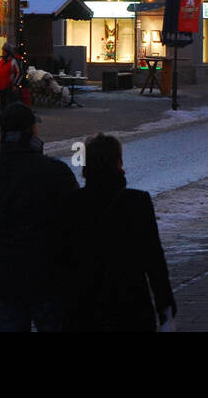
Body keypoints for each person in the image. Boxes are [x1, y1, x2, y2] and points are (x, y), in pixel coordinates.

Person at [0, 103, 78, 331]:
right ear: (32, 131)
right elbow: (74, 218)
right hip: (49, 278)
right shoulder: (56, 172)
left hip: (5, 279)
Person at [59, 133, 176, 331]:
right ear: (118, 163)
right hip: (130, 306)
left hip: (84, 308)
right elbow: (153, 257)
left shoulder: (70, 203)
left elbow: (60, 258)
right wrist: (164, 304)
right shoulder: (137, 202)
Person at [0, 44, 21, 108]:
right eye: (3, 51)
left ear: (8, 52)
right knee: (2, 104)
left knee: (9, 105)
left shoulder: (13, 61)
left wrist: (15, 84)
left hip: (9, 87)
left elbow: (19, 73)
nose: (3, 52)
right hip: (0, 86)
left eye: (4, 51)